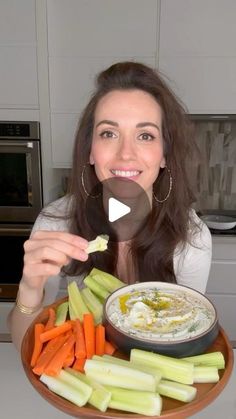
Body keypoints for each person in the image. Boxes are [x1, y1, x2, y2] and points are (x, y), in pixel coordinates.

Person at [8, 61, 212, 351]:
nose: (126, 154)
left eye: (145, 135)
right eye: (108, 133)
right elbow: (24, 345)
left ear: (164, 155)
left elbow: (186, 336)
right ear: (90, 150)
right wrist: (30, 289)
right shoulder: (56, 223)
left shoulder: (192, 239)